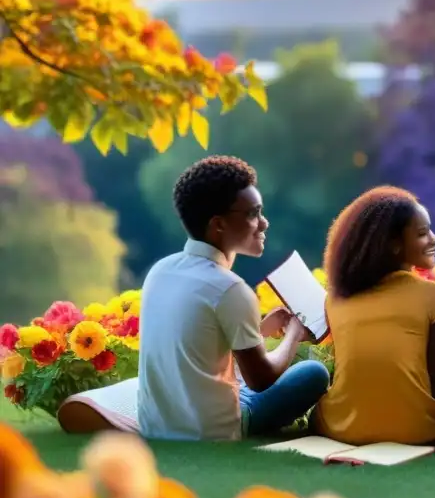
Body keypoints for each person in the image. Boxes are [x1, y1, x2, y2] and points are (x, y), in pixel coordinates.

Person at [137, 156, 330, 441]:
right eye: (253, 213)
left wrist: (261, 328)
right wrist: (293, 335)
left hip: (156, 426)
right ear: (219, 224)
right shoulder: (229, 288)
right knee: (314, 372)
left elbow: (197, 340)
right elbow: (261, 379)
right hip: (212, 431)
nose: (263, 223)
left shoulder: (161, 270)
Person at [313, 186, 435, 446]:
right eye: (423, 234)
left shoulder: (335, 299)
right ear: (393, 245)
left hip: (343, 429)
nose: (434, 239)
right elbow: (432, 386)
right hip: (416, 431)